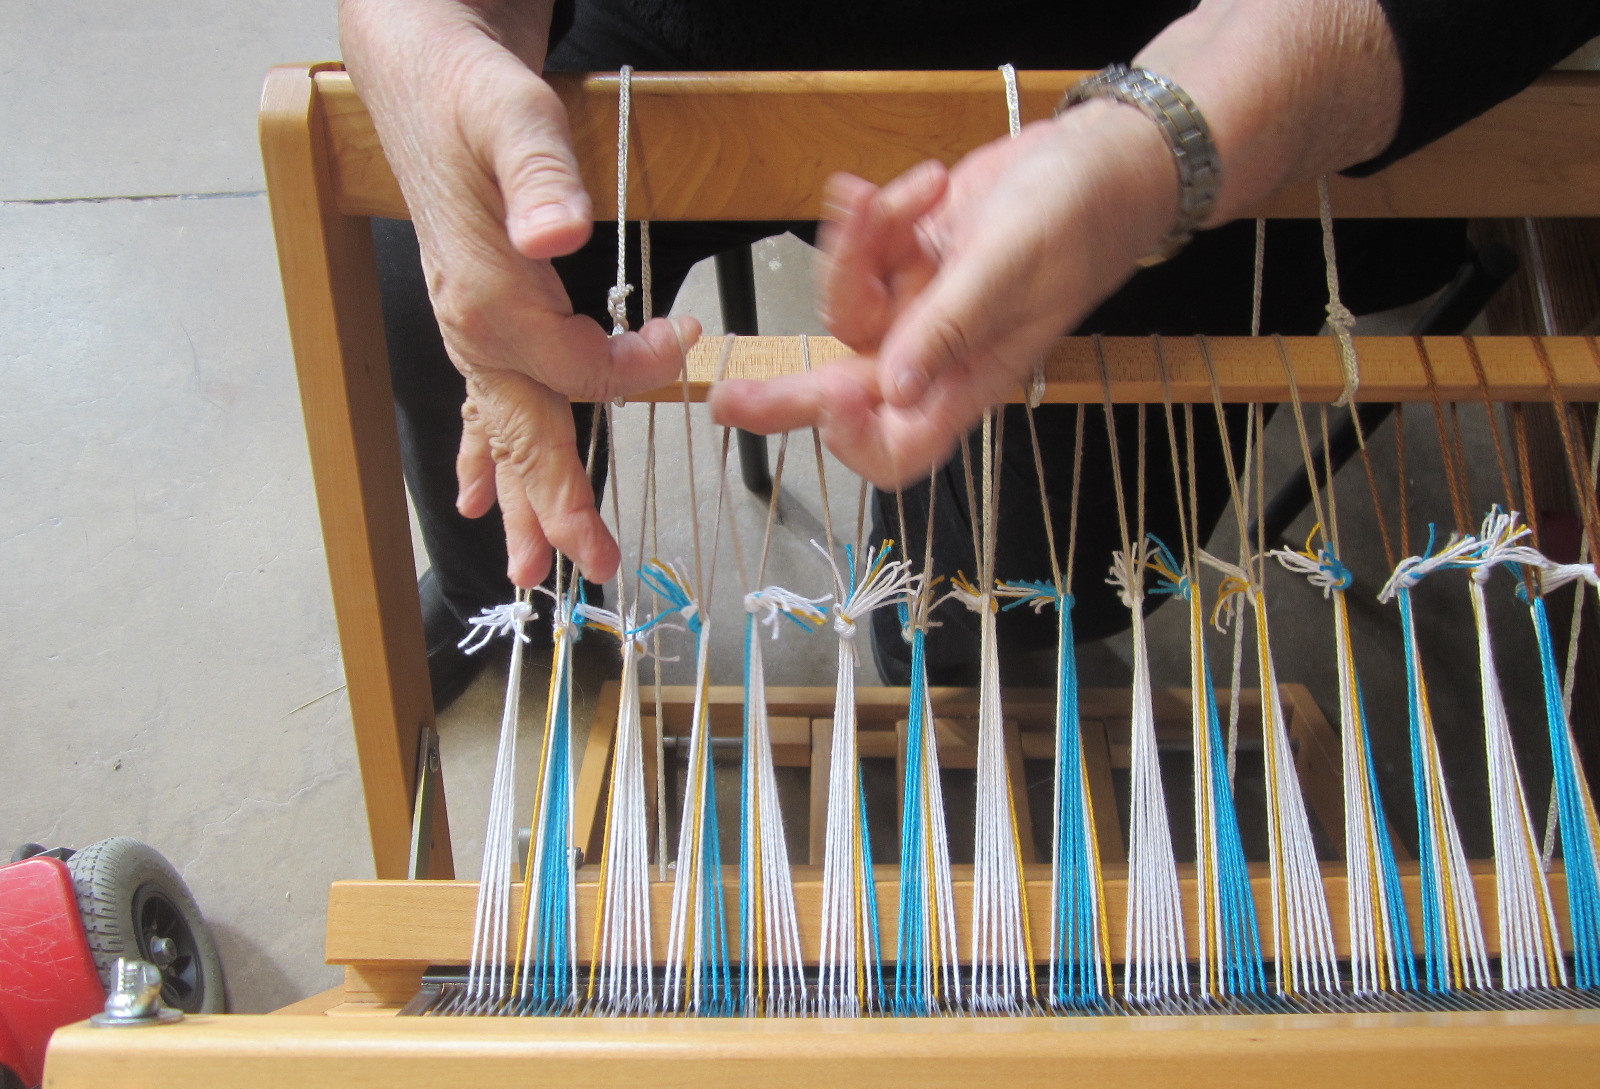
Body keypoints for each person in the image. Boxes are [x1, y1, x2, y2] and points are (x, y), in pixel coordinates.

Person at [342, 0, 1600, 706]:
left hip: (1213, 65)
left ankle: (945, 668)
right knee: (429, 274)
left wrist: (1148, 148)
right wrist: (422, 24)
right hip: (705, 17)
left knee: (1027, 570)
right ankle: (518, 616)